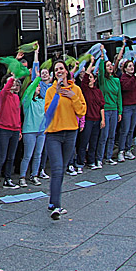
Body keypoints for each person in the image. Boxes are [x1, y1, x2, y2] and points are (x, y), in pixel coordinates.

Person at [44, 59, 85, 219]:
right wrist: (57, 93)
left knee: (62, 169)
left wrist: (73, 96)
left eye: (61, 68)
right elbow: (49, 113)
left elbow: (81, 111)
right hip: (53, 134)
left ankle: (53, 200)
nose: (59, 71)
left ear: (66, 71)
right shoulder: (50, 91)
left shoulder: (76, 89)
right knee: (57, 168)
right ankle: (56, 206)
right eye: (56, 69)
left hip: (70, 133)